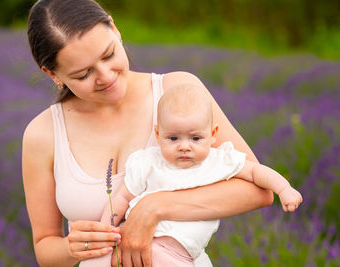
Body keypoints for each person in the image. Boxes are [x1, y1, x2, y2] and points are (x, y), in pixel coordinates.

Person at [22, 0, 273, 266]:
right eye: (83, 74)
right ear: (53, 74)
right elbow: (45, 248)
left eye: (108, 55)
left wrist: (154, 207)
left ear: (115, 28)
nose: (106, 76)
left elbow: (258, 189)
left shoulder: (177, 92)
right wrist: (70, 248)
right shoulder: (43, 134)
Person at [99, 84, 303, 266]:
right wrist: (104, 229)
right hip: (133, 242)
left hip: (179, 256)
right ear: (158, 134)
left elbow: (254, 171)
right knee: (96, 260)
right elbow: (123, 197)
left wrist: (283, 188)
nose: (184, 147)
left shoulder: (218, 161)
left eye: (195, 138)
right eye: (173, 138)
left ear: (213, 135)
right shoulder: (148, 162)